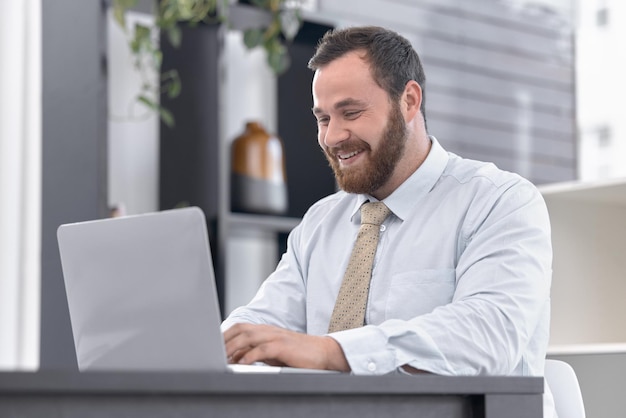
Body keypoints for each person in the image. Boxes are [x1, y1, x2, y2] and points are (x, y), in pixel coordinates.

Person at [222, 25, 555, 415]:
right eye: (323, 118)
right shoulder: (319, 223)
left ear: (409, 101)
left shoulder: (500, 200)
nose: (332, 137)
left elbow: (488, 334)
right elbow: (263, 321)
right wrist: (210, 344)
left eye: (351, 112)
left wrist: (331, 351)